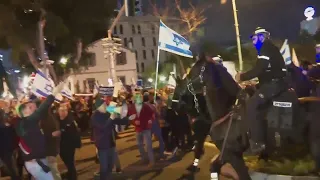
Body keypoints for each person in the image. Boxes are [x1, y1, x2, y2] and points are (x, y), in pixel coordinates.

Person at [235, 27, 287, 153]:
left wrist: (242, 77)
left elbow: (260, 69)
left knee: (251, 105)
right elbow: (264, 71)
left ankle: (258, 143)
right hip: (272, 83)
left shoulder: (265, 48)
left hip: (274, 85)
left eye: (254, 38)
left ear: (262, 38)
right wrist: (254, 82)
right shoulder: (268, 48)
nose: (253, 42)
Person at [15, 82, 65, 180]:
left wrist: (50, 135)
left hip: (37, 162)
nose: (34, 108)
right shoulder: (28, 121)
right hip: (36, 163)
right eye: (30, 107)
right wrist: (54, 93)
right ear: (25, 112)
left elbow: (36, 138)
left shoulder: (26, 124)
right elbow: (42, 109)